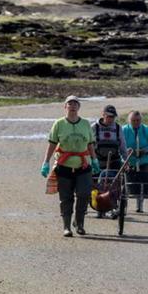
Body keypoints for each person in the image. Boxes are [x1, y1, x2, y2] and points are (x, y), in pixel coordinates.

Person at [41, 95, 100, 237]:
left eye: (75, 104)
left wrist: (95, 160)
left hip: (83, 166)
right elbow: (52, 144)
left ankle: (79, 223)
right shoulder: (59, 124)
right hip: (64, 166)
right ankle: (66, 227)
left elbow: (90, 144)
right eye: (70, 104)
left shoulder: (85, 124)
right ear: (65, 107)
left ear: (79, 107)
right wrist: (46, 162)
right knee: (66, 197)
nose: (72, 106)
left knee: (84, 194)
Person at [122, 110, 148, 212]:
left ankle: (139, 205)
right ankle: (123, 204)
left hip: (143, 160)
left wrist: (146, 150)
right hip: (129, 160)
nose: (136, 122)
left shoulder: (146, 130)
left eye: (138, 120)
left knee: (142, 182)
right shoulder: (124, 130)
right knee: (125, 182)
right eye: (133, 120)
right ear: (129, 120)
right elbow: (120, 144)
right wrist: (125, 152)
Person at [91, 104, 127, 172]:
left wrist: (125, 160)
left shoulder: (118, 128)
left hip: (114, 163)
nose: (111, 119)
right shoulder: (94, 127)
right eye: (109, 116)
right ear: (103, 115)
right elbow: (88, 145)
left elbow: (123, 146)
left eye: (113, 117)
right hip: (98, 163)